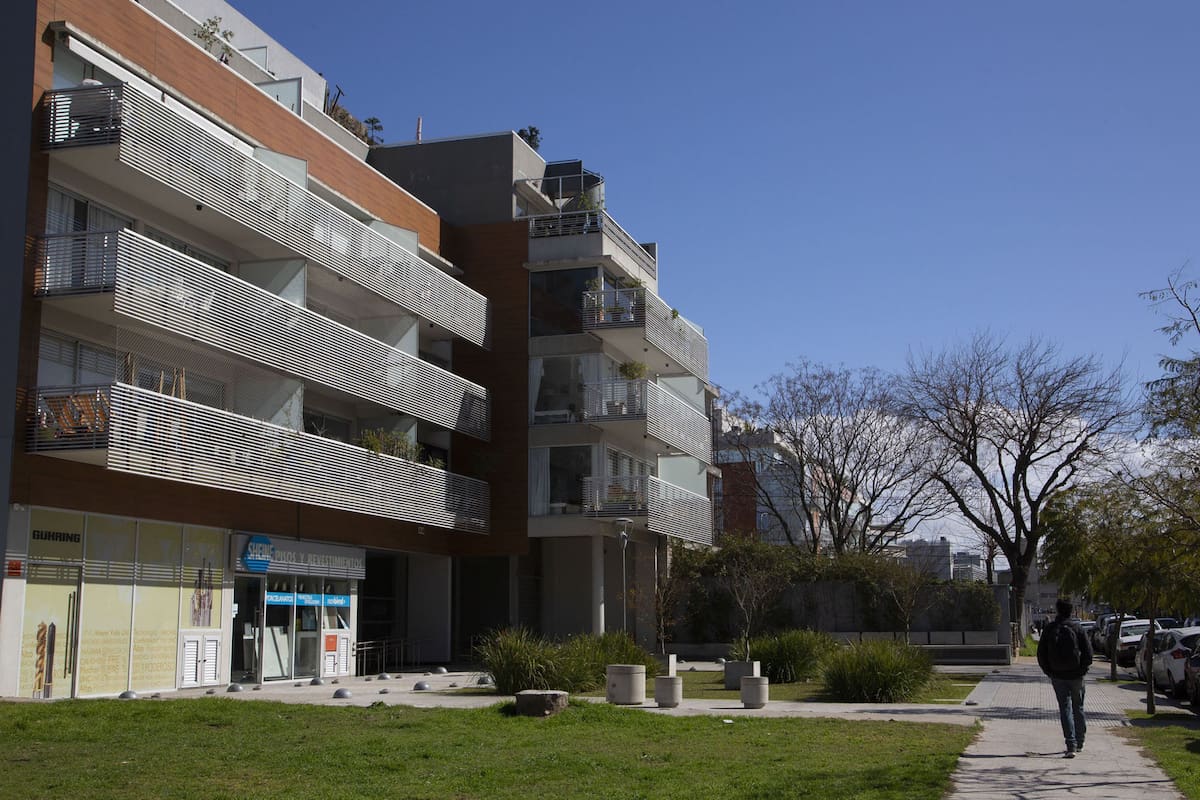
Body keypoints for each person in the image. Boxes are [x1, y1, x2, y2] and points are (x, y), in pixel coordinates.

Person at [1037, 598, 1093, 758]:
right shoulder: (1077, 628)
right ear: (1071, 611)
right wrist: (1082, 670)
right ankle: (1080, 742)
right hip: (1076, 675)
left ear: (1057, 610)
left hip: (1058, 676)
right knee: (1078, 707)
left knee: (1065, 708)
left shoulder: (1050, 629)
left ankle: (1071, 744)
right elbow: (1088, 654)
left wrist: (1050, 672)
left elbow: (1041, 654)